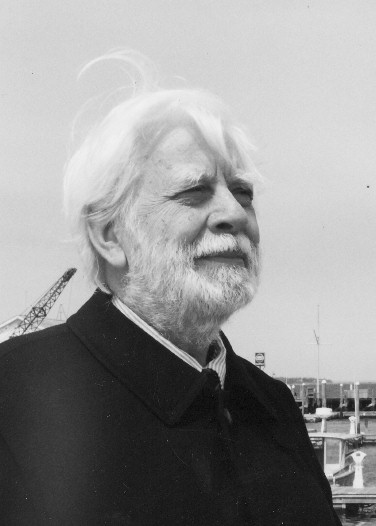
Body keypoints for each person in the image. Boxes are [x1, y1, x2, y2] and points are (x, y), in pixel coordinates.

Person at [0, 51, 343, 525]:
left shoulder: (272, 406)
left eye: (242, 193)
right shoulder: (13, 396)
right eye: (193, 193)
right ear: (110, 235)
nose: (234, 213)